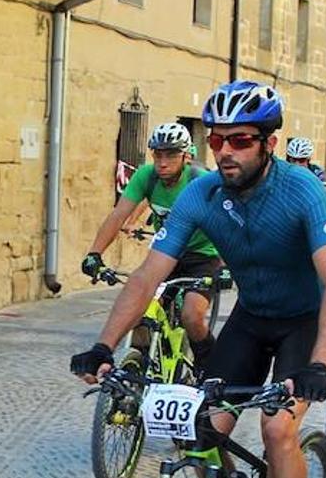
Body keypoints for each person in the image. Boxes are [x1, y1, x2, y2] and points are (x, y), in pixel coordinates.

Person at [71, 80, 326, 478]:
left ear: (268, 143)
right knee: (200, 429)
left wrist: (321, 363)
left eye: (241, 140)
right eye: (217, 140)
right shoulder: (201, 196)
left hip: (304, 322)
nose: (225, 151)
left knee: (276, 431)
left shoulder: (301, 192)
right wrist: (105, 344)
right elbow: (149, 275)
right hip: (251, 319)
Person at [81, 122, 221, 366]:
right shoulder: (147, 176)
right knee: (140, 308)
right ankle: (138, 366)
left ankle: (209, 363)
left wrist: (226, 266)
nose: (163, 162)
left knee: (192, 314)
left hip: (203, 254)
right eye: (158, 154)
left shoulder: (201, 181)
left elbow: (226, 226)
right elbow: (118, 215)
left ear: (186, 155)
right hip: (167, 252)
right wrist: (95, 253)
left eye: (171, 155)